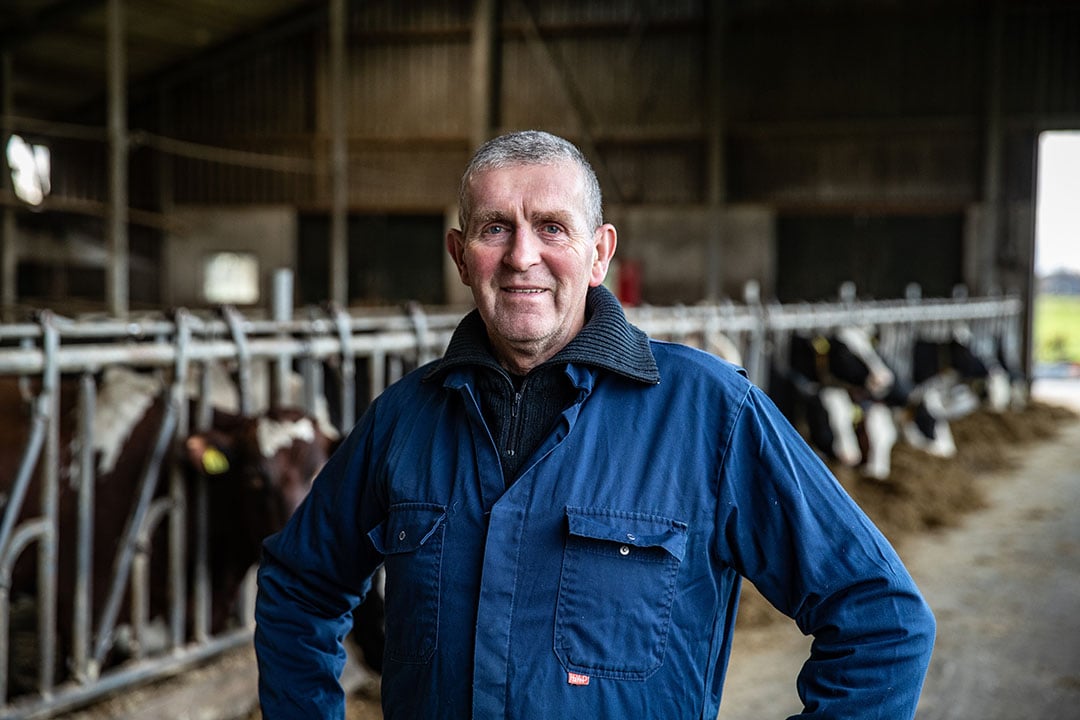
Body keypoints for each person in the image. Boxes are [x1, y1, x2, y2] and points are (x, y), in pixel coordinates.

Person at [254, 130, 936, 719]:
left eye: (552, 227)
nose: (523, 256)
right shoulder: (404, 418)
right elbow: (298, 586)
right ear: (461, 257)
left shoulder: (709, 412)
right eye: (496, 228)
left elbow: (883, 620)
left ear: (599, 252)